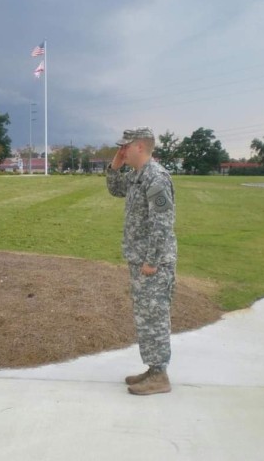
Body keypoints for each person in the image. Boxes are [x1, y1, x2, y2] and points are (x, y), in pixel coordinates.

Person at [106, 126, 177, 395]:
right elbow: (114, 189)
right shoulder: (138, 176)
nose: (122, 150)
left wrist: (152, 261)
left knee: (155, 316)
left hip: (153, 264)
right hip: (141, 261)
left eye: (125, 146)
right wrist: (116, 164)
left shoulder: (156, 177)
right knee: (145, 317)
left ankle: (160, 375)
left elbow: (163, 224)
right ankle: (153, 369)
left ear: (139, 146)